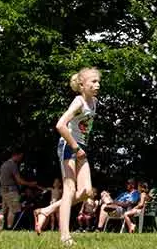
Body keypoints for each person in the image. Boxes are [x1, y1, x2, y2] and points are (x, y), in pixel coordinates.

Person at [34, 67, 100, 246]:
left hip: (81, 147)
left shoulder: (94, 102)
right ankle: (65, 236)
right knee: (70, 189)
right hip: (69, 146)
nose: (97, 85)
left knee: (86, 191)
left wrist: (80, 148)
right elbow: (60, 125)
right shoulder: (78, 101)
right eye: (93, 82)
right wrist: (74, 146)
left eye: (98, 81)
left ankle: (47, 210)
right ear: (82, 84)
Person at [0, 148, 39, 229]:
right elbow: (19, 180)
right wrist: (31, 184)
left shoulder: (4, 164)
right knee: (13, 210)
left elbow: (0, 178)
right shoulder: (13, 165)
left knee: (3, 210)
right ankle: (10, 228)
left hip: (3, 189)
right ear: (16, 155)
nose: (21, 158)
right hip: (11, 190)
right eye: (21, 156)